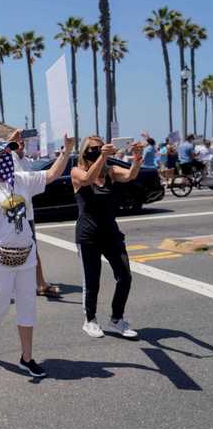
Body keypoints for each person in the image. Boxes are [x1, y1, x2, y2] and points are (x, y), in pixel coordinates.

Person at [0, 137, 73, 377]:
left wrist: (66, 152)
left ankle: (27, 357)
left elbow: (51, 175)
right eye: (4, 153)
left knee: (28, 306)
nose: (9, 157)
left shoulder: (22, 180)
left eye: (10, 153)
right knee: (0, 304)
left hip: (26, 255)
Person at [72, 136, 144, 339]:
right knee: (92, 281)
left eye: (100, 147)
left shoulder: (110, 171)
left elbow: (130, 175)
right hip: (88, 235)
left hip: (111, 233)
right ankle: (90, 320)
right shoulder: (77, 172)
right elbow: (86, 180)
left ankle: (117, 318)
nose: (96, 150)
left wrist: (137, 158)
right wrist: (102, 157)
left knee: (125, 276)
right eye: (92, 148)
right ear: (84, 151)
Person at [8, 129, 62, 298]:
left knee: (31, 249)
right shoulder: (10, 158)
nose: (21, 143)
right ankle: (32, 284)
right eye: (17, 141)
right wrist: (12, 138)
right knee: (18, 249)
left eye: (22, 140)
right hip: (16, 212)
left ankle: (39, 283)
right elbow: (3, 150)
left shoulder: (26, 161)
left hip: (27, 213)